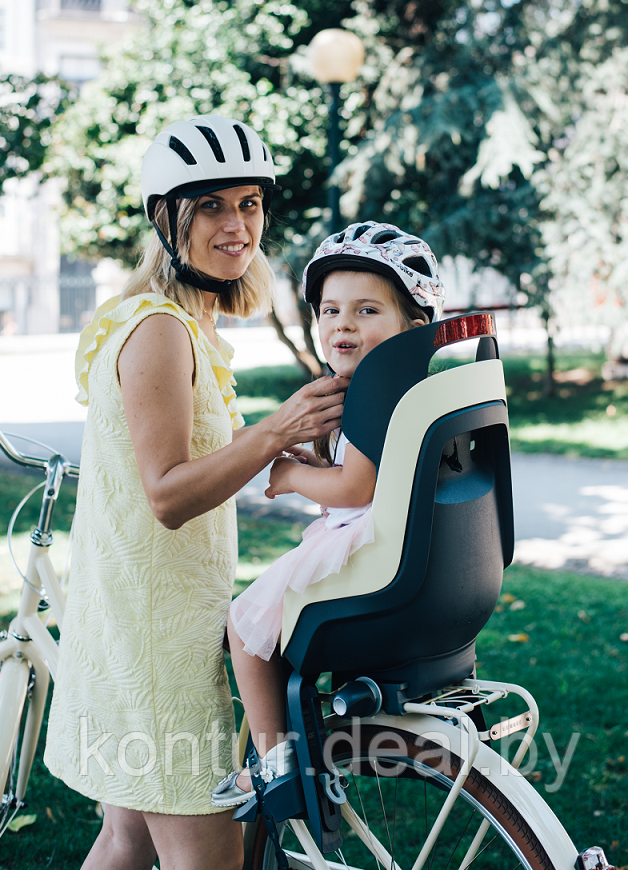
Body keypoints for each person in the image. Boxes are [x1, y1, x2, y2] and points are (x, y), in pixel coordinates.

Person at [43, 115, 348, 870]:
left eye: (248, 203)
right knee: (205, 853)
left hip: (141, 614)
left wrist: (279, 454)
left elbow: (201, 466)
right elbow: (168, 495)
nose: (237, 224)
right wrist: (274, 431)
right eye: (211, 205)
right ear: (165, 218)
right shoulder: (159, 330)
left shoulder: (193, 324)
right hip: (156, 638)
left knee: (127, 838)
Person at [211, 221, 445, 808]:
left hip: (368, 547)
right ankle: (305, 743)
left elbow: (353, 485)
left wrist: (289, 476)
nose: (343, 323)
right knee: (268, 622)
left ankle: (276, 762)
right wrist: (315, 452)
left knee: (245, 627)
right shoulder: (402, 385)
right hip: (399, 547)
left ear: (413, 326)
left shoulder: (376, 388)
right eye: (331, 310)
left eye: (367, 310)